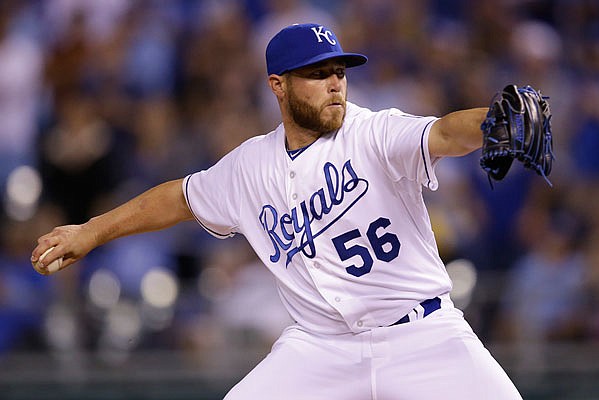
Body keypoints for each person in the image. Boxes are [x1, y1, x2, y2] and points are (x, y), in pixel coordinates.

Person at [32, 23, 523, 399]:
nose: (335, 83)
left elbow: (443, 132)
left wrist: (495, 120)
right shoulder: (250, 166)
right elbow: (178, 198)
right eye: (316, 74)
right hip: (321, 347)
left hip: (424, 335)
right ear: (278, 85)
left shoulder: (374, 132)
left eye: (339, 72)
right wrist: (91, 231)